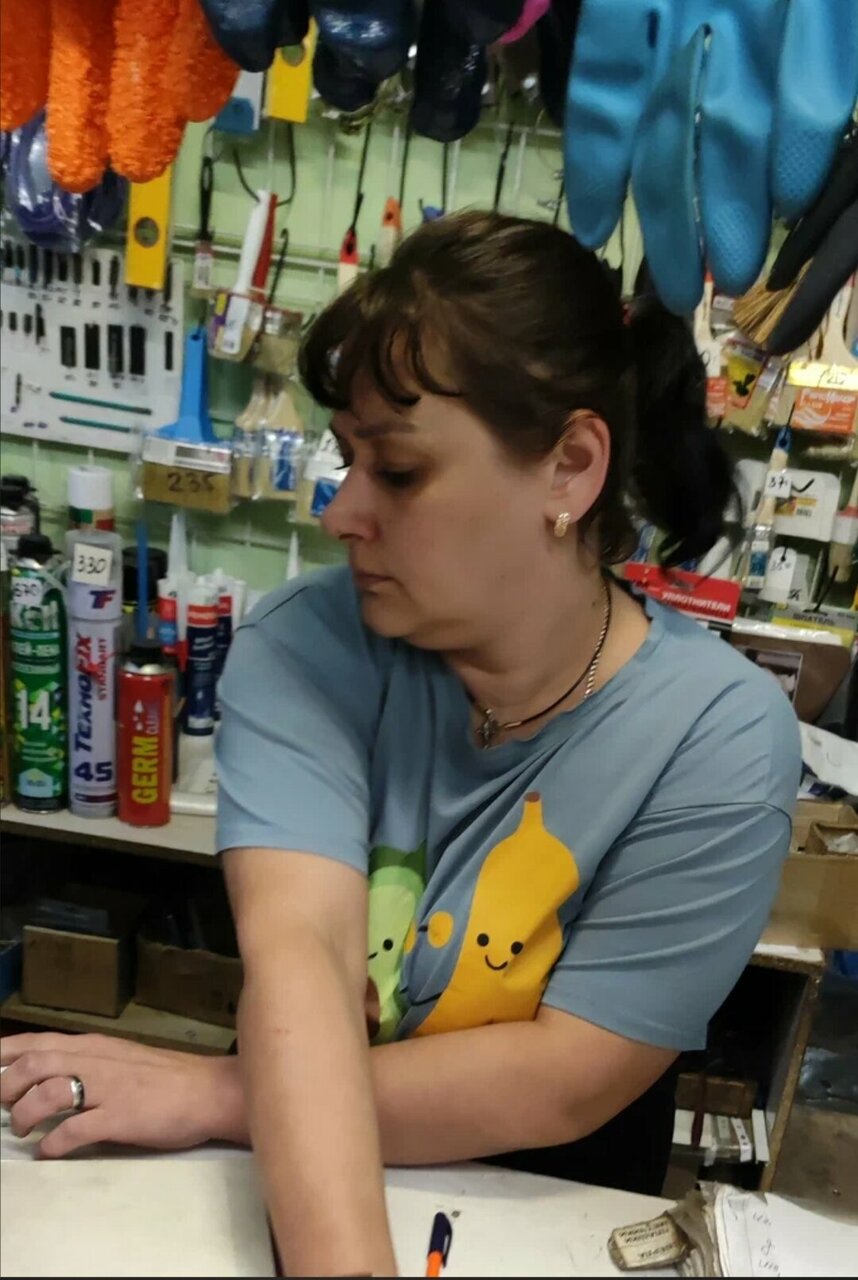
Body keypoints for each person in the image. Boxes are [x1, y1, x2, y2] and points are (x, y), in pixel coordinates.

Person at [0, 212, 800, 1277]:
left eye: (400, 471)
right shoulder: (306, 647)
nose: (343, 513)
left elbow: (572, 1075)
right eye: (347, 461)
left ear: (569, 468)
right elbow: (305, 959)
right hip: (306, 1190)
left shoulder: (716, 735)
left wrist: (217, 1091)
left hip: (554, 1218)